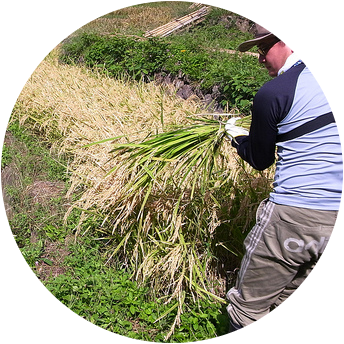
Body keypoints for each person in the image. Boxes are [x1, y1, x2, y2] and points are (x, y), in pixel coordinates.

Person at [224, 23, 343, 332]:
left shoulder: (275, 91)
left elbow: (261, 159)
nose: (261, 59)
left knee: (247, 309)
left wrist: (238, 138)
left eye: (264, 50)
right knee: (292, 299)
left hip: (294, 214)